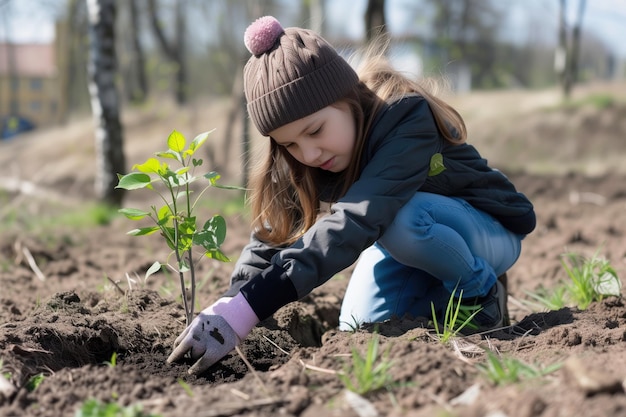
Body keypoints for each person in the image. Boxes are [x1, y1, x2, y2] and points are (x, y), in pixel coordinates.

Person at [167, 16, 536, 375]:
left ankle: (480, 292)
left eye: (315, 130)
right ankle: (444, 295)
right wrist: (233, 305)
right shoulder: (309, 158)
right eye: (290, 143)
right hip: (407, 243)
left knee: (405, 221)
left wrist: (252, 305)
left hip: (487, 229)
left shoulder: (406, 119)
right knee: (359, 327)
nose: (308, 153)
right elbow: (271, 239)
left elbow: (357, 218)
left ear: (347, 98)